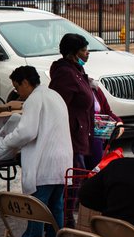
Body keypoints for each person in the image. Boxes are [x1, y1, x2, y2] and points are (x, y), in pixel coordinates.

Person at [0, 66, 73, 237]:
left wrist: (5, 142)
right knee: (55, 206)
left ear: (25, 82)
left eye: (17, 87)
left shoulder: (34, 99)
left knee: (37, 208)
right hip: (61, 163)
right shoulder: (54, 95)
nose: (17, 92)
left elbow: (26, 132)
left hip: (44, 163)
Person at [49, 32, 117, 170]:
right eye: (83, 50)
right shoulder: (65, 73)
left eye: (87, 50)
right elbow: (59, 107)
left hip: (85, 133)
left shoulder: (78, 70)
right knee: (78, 177)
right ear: (72, 53)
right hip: (73, 136)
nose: (87, 53)